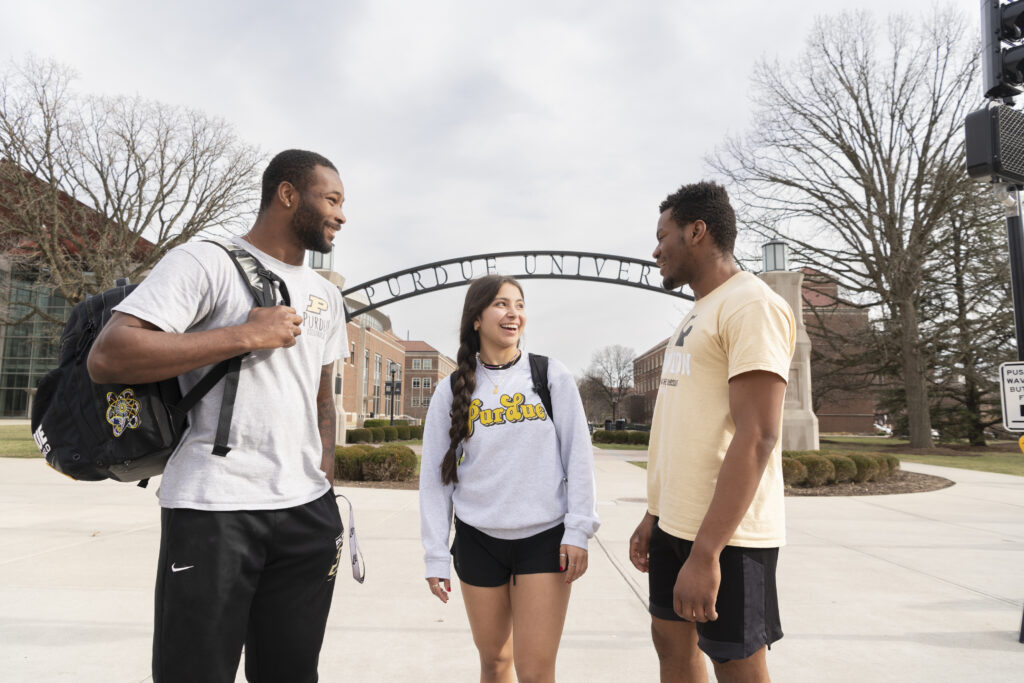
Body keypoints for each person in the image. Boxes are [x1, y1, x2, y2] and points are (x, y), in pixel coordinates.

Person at [88, 149, 349, 683]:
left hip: (307, 514)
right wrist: (244, 334)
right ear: (287, 194)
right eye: (332, 199)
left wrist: (324, 469)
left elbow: (323, 394)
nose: (342, 215)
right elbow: (109, 355)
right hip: (215, 508)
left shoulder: (326, 295)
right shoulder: (205, 259)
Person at [629, 181, 795, 683]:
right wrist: (655, 514)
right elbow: (690, 425)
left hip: (729, 539)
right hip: (675, 525)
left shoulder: (752, 305)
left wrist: (707, 553)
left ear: (697, 232)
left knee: (736, 666)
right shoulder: (701, 308)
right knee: (672, 650)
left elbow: (758, 434)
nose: (656, 250)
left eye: (664, 236)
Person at [419, 274, 600, 683]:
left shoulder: (550, 376)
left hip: (544, 540)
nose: (513, 313)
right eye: (501, 304)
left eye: (519, 304)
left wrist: (578, 530)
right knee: (495, 663)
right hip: (478, 540)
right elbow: (435, 479)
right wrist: (435, 553)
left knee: (535, 672)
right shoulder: (451, 391)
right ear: (477, 319)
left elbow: (579, 458)